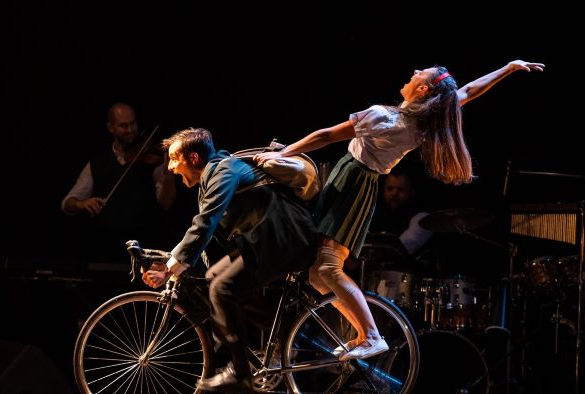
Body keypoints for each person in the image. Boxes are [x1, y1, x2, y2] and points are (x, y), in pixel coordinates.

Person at [255, 59, 545, 360]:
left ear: (421, 89)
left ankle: (371, 335)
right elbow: (470, 90)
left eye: (419, 74)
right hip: (360, 182)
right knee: (317, 275)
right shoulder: (425, 120)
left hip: (353, 183)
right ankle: (362, 334)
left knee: (327, 267)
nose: (415, 72)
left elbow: (327, 135)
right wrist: (508, 68)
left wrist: (285, 151)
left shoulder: (382, 117)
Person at [142, 128, 318, 392]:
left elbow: (204, 224)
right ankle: (285, 334)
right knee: (214, 278)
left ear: (192, 157)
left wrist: (170, 268)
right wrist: (170, 260)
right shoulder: (215, 176)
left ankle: (240, 373)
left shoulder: (224, 169)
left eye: (173, 159)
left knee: (222, 288)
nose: (170, 167)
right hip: (267, 242)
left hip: (285, 239)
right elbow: (204, 232)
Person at [61, 102, 177, 259]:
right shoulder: (97, 163)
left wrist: (168, 175)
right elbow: (67, 203)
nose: (130, 130)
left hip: (145, 248)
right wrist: (81, 204)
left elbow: (165, 203)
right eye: (123, 126)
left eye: (133, 124)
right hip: (105, 248)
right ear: (111, 128)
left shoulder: (151, 159)